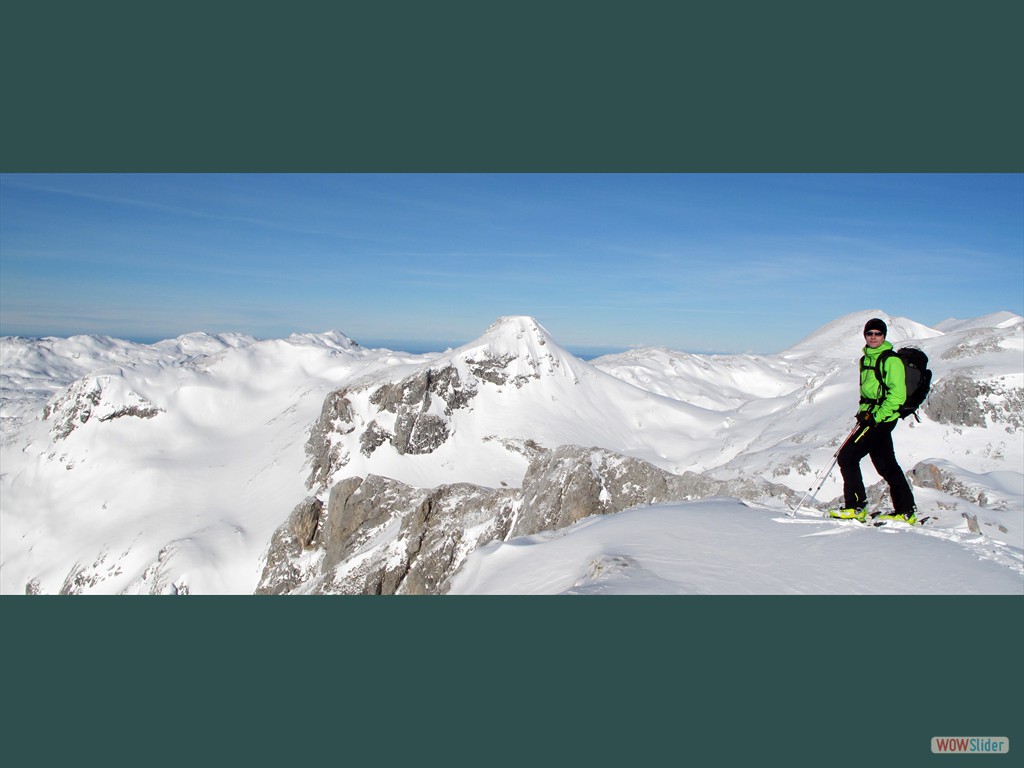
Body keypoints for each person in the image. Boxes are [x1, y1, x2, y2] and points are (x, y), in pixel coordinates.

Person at [830, 318, 917, 523]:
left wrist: (875, 417)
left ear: (884, 336)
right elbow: (867, 391)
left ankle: (856, 507)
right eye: (870, 333)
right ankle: (906, 511)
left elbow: (897, 396)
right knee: (886, 464)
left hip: (882, 419)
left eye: (878, 333)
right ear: (865, 336)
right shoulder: (866, 359)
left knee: (847, 457)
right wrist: (863, 412)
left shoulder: (890, 360)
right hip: (871, 417)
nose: (874, 337)